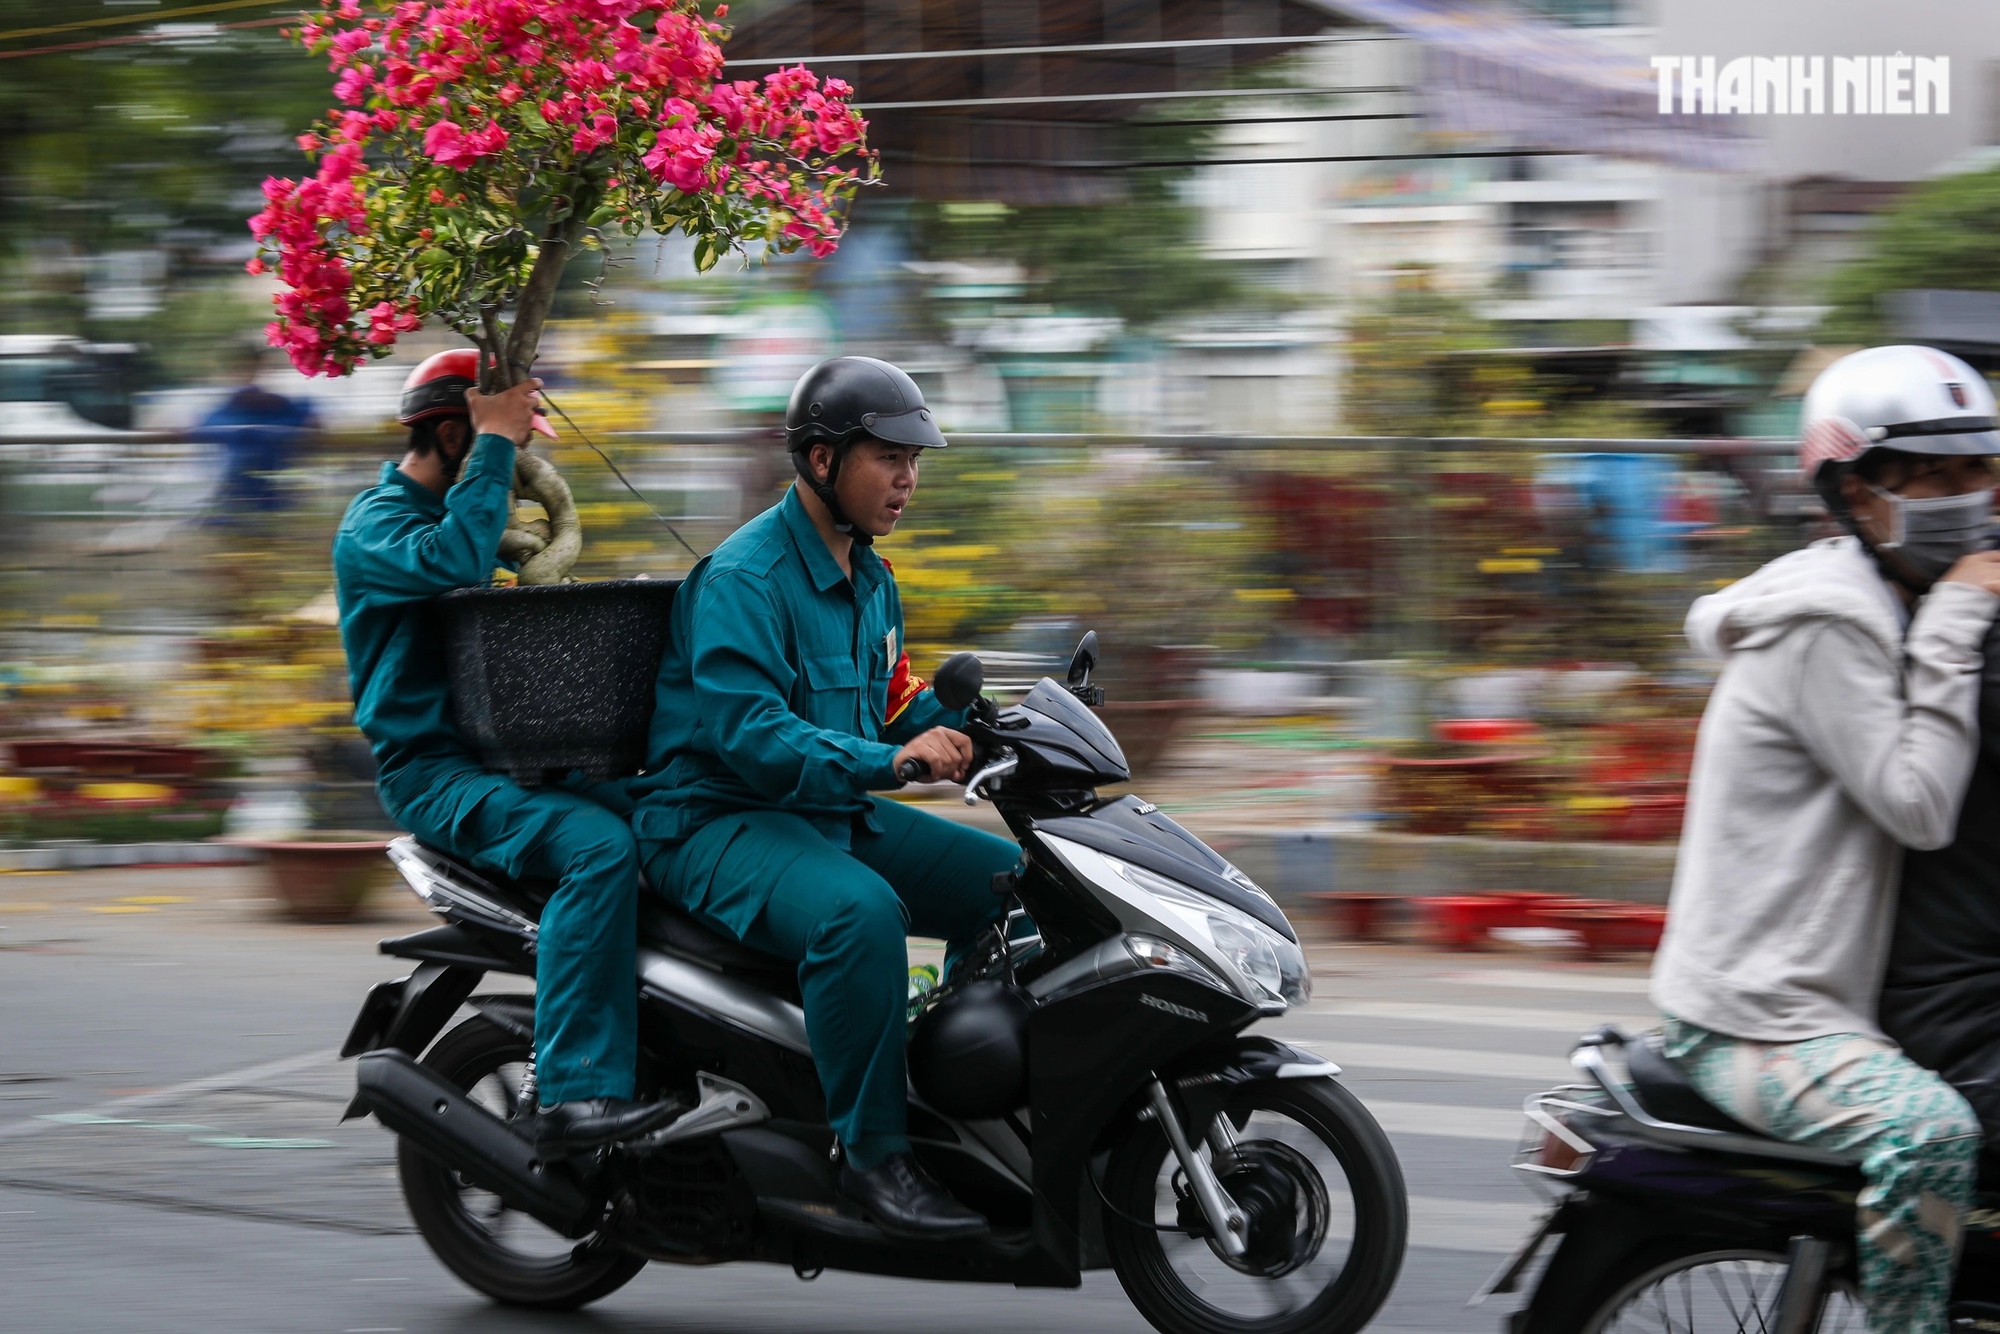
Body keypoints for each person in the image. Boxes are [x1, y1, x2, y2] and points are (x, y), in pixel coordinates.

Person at [626, 356, 1018, 1241]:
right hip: (713, 819)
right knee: (858, 916)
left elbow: (887, 710)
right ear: (819, 461)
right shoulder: (745, 579)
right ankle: (872, 1156)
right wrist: (898, 766)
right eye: (888, 458)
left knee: (1016, 884)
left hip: (823, 809)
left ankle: (939, 1078)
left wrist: (981, 726)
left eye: (915, 461)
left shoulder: (870, 580)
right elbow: (754, 737)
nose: (908, 480)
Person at [1649, 344, 2000, 1334]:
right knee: (1929, 1134)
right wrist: (1961, 617)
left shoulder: (1886, 597)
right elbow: (1917, 802)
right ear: (1854, 492)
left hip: (1818, 992)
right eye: (1932, 474)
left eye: (1978, 468)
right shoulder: (1828, 624)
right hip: (1755, 1012)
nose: (1966, 496)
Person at [333, 348, 680, 1158]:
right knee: (597, 851)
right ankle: (571, 1094)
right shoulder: (377, 527)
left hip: (514, 762)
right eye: (500, 447)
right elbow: (449, 564)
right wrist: (495, 445)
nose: (521, 470)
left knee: (675, 812)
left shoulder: (479, 522)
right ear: (452, 434)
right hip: (437, 776)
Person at [198, 340, 317, 521]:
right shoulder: (229, 408)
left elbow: (306, 419)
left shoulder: (278, 405)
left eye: (248, 366)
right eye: (239, 367)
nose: (244, 372)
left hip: (264, 493)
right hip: (243, 495)